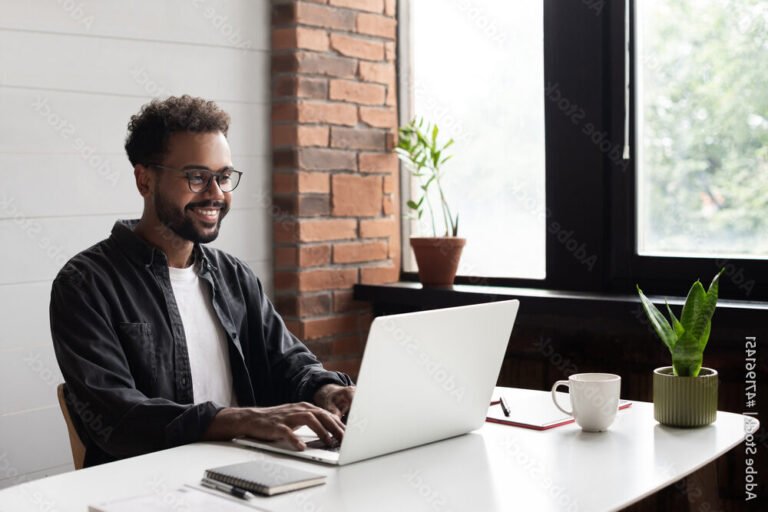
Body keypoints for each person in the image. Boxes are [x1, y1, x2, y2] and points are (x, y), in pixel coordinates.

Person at [50, 95, 355, 467]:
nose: (216, 194)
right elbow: (119, 418)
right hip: (148, 484)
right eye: (197, 177)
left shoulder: (235, 276)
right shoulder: (85, 284)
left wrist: (327, 390)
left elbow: (287, 362)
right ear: (145, 179)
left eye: (224, 177)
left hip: (248, 472)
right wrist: (240, 419)